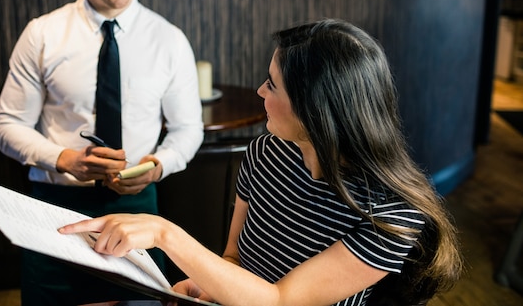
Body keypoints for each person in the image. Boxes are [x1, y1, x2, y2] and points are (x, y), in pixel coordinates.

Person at [59, 19, 463, 306]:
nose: (259, 90)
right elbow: (235, 258)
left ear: (314, 109)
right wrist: (207, 288)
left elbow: (279, 299)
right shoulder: (266, 153)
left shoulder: (390, 218)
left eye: (271, 83)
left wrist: (166, 234)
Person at [0, 0, 204, 306]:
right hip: (55, 209)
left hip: (136, 205)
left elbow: (187, 130)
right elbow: (7, 126)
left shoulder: (169, 40)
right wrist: (64, 158)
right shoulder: (42, 34)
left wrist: (158, 165)